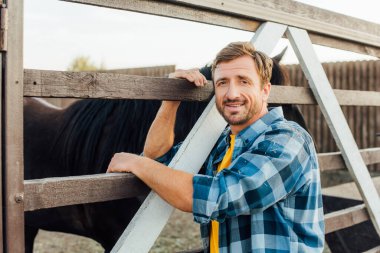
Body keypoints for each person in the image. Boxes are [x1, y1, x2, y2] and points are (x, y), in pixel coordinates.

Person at [107, 42, 325, 252]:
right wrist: (171, 100)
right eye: (222, 83)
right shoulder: (222, 143)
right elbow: (159, 159)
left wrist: (136, 162)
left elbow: (218, 197)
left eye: (244, 81)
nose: (231, 94)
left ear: (265, 90)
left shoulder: (288, 139)